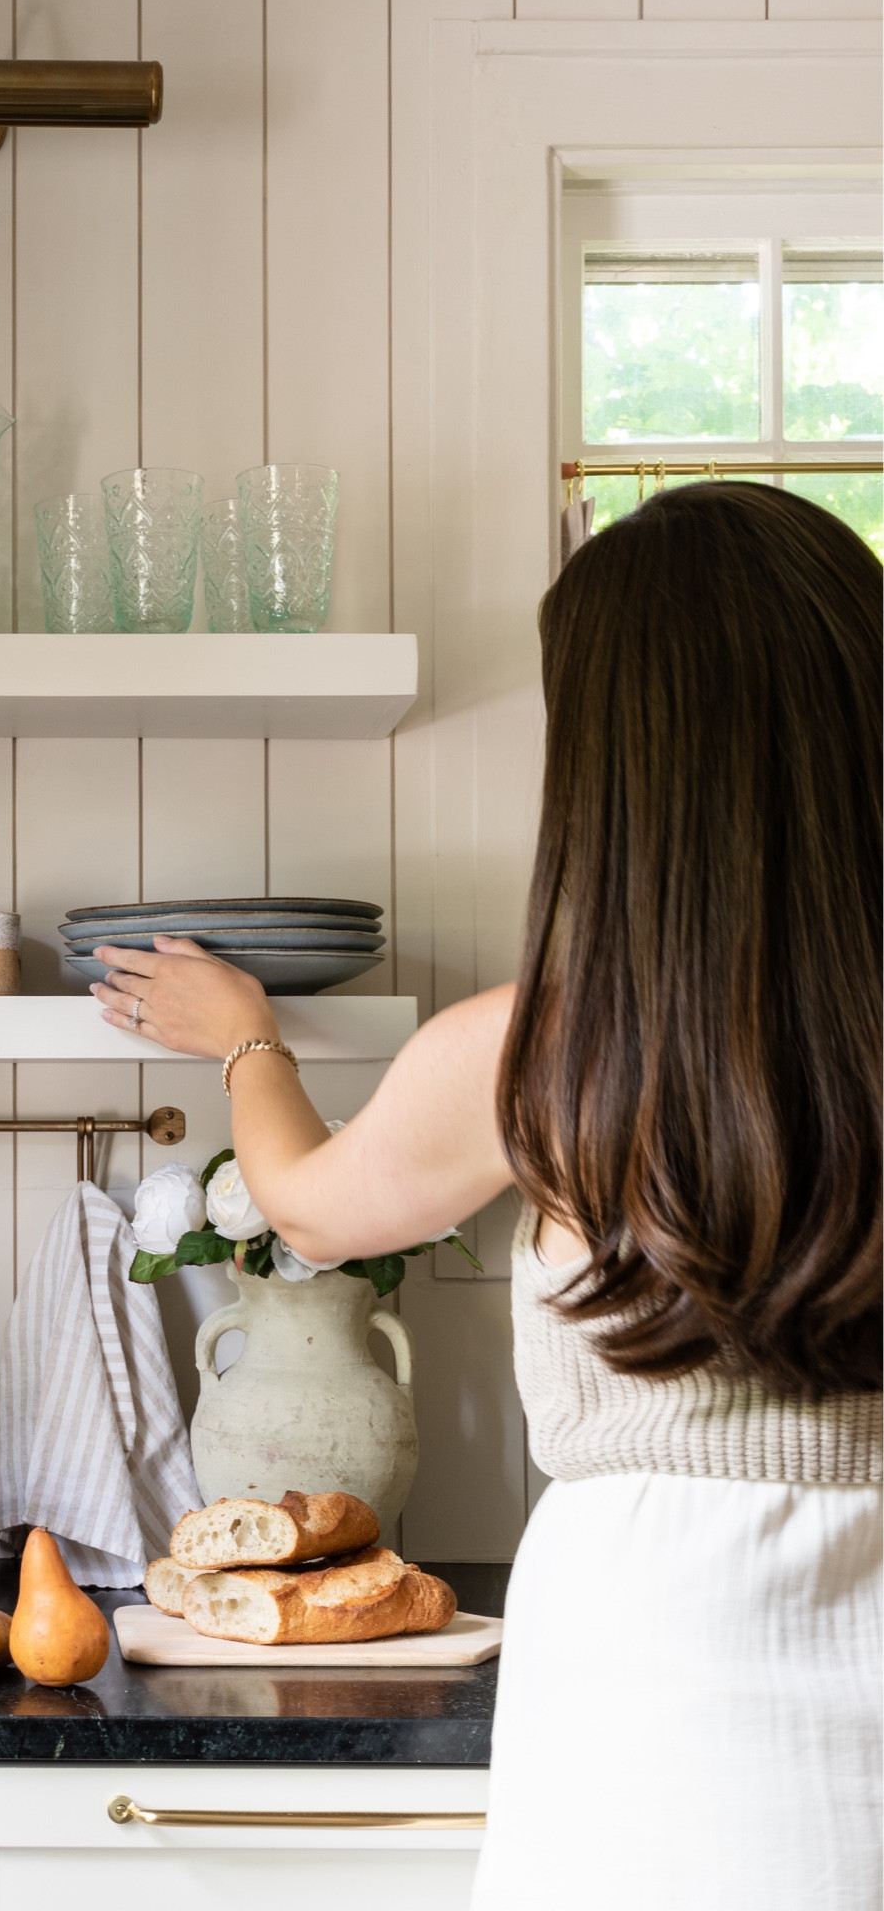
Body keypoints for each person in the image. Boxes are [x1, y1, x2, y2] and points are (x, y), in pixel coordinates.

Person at [90, 482, 881, 1910]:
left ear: (615, 769)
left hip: (646, 1689)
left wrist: (245, 1040)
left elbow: (311, 1210)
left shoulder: (542, 1053)